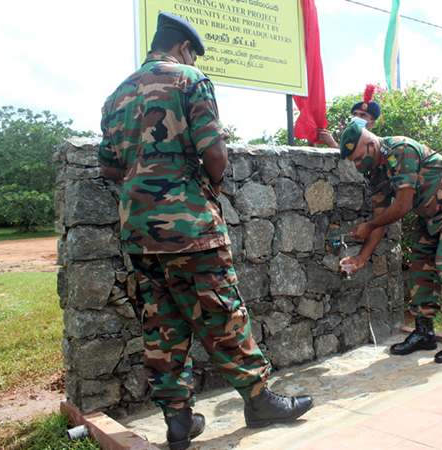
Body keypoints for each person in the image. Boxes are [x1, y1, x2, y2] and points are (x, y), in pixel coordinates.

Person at [98, 12, 312, 449]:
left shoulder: (116, 95)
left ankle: (178, 420)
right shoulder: (189, 79)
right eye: (193, 53)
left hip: (139, 232)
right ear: (183, 48)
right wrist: (208, 187)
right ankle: (259, 401)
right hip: (191, 228)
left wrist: (143, 178)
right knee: (221, 313)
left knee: (161, 324)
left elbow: (109, 167)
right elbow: (214, 152)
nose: (194, 59)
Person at [337, 120, 442, 363]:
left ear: (372, 144)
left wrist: (368, 226)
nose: (358, 165)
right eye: (354, 161)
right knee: (419, 265)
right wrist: (361, 257)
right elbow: (380, 216)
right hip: (432, 214)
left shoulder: (400, 149)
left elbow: (403, 205)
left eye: (359, 158)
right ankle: (424, 332)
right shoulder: (374, 170)